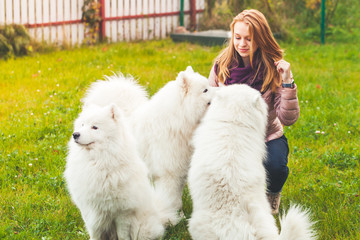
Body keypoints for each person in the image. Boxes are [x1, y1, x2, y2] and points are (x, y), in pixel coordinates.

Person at [208, 9, 300, 214]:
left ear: (260, 38)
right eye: (237, 37)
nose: (241, 44)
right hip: (230, 138)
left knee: (276, 166)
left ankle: (273, 193)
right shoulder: (221, 66)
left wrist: (287, 81)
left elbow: (288, 118)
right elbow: (208, 105)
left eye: (248, 39)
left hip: (265, 135)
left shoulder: (272, 69)